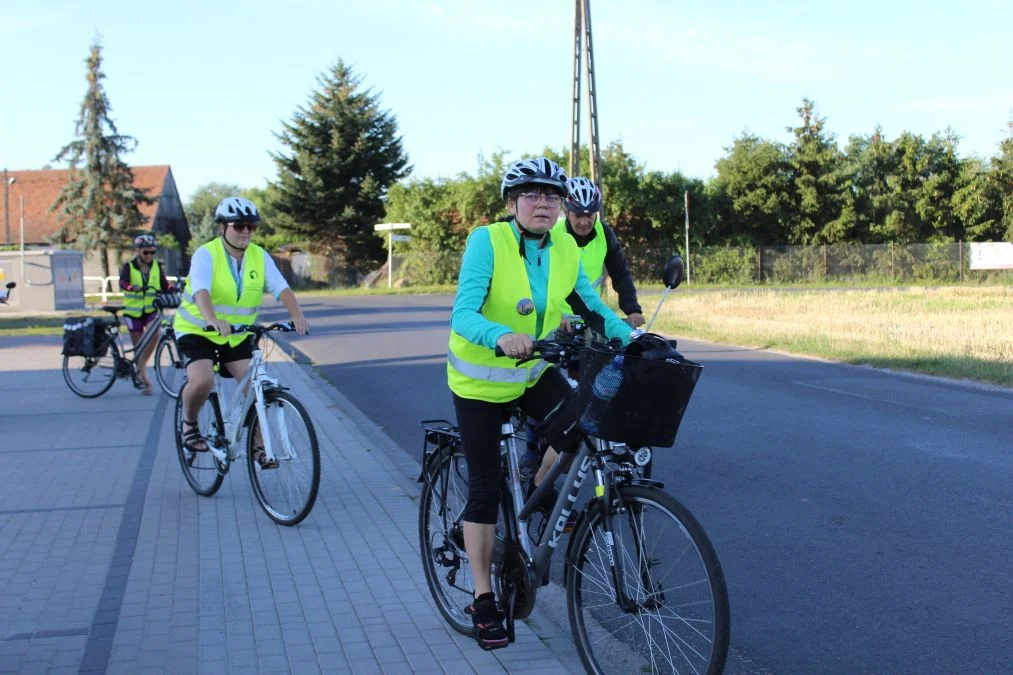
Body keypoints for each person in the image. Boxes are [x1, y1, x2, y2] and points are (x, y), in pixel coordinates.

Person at [448, 157, 631, 650]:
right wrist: (500, 334)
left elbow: (590, 305)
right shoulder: (487, 241)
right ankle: (483, 597)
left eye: (552, 196)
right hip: (480, 384)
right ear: (512, 203)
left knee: (585, 430)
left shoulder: (567, 246)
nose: (543, 203)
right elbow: (463, 312)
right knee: (484, 491)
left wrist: (631, 337)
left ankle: (536, 500)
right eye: (531, 194)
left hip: (532, 373)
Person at [173, 197, 309, 466]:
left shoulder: (259, 255)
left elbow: (280, 286)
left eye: (251, 226)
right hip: (197, 330)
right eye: (239, 225)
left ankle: (259, 448)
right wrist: (211, 318)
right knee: (202, 381)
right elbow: (201, 290)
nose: (246, 231)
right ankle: (189, 424)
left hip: (235, 336)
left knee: (255, 389)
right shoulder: (206, 254)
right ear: (223, 227)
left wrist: (297, 315)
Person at [553, 176, 645, 332]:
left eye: (589, 215)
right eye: (578, 215)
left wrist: (632, 309)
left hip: (591, 316)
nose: (584, 222)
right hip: (557, 320)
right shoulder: (553, 234)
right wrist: (555, 316)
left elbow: (620, 273)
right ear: (566, 211)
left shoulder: (604, 233)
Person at [119, 233, 171, 395]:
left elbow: (164, 284)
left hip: (150, 311)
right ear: (138, 251)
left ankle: (141, 370)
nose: (149, 256)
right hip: (133, 313)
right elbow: (123, 282)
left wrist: (173, 289)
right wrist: (130, 288)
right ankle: (144, 379)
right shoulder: (129, 266)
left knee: (155, 335)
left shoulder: (156, 266)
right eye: (146, 252)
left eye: (152, 252)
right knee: (139, 347)